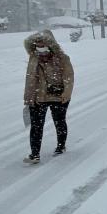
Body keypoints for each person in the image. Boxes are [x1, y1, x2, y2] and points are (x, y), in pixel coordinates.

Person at [22, 29, 75, 164]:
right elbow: (30, 79)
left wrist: (66, 94)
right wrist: (28, 98)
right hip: (39, 97)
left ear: (50, 44)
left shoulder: (62, 58)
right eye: (37, 44)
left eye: (43, 44)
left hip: (58, 96)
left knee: (59, 121)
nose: (40, 47)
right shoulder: (34, 58)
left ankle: (61, 146)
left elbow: (68, 77)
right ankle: (35, 154)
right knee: (36, 126)